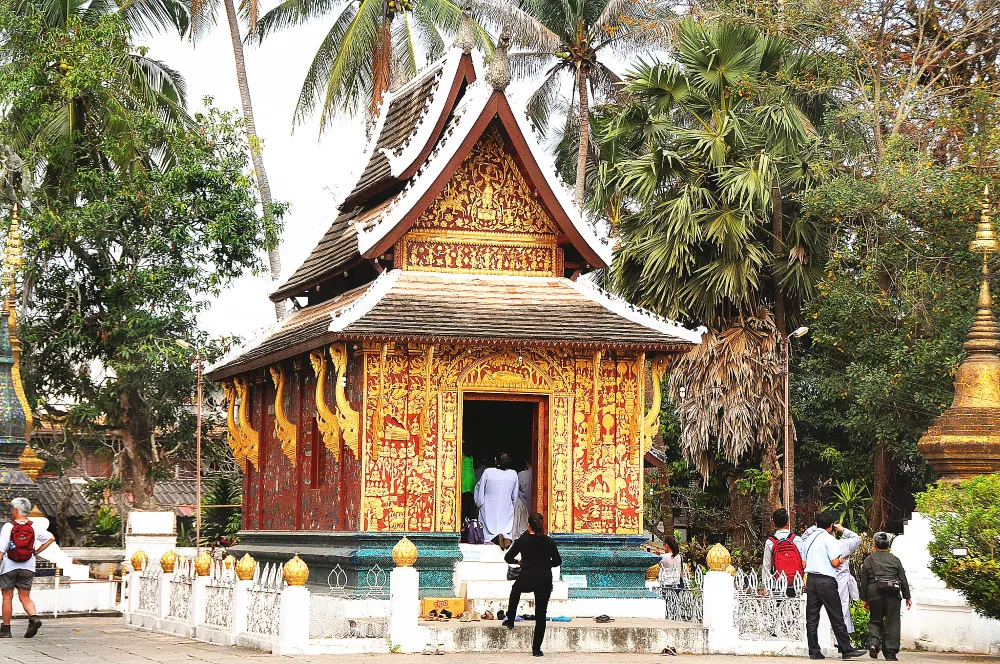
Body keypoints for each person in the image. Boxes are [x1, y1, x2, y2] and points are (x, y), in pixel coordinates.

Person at [798, 511, 866, 660]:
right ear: (830, 526)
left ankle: (814, 651)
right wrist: (841, 560)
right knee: (836, 615)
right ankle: (846, 649)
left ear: (816, 524)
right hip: (826, 581)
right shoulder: (830, 540)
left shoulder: (808, 540)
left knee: (812, 618)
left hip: (811, 580)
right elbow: (835, 562)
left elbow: (804, 563)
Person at [502, 512, 561, 657]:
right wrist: (546, 564)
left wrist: (518, 561)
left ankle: (510, 619)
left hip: (527, 578)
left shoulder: (523, 540)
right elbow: (557, 561)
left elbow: (508, 557)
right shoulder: (548, 541)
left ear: (529, 525)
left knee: (515, 591)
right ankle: (536, 649)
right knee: (541, 614)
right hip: (544, 580)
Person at [0, 497, 54, 639]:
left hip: (9, 567)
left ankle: (6, 629)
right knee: (25, 597)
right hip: (28, 566)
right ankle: (34, 617)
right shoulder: (34, 526)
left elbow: (1, 550)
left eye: (12, 508)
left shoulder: (8, 527)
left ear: (16, 510)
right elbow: (51, 538)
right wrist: (35, 552)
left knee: (7, 597)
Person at [800, 519, 862, 632]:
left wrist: (817, 527)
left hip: (820, 580)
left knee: (817, 612)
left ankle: (823, 636)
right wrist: (842, 529)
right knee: (841, 611)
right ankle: (841, 638)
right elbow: (857, 539)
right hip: (839, 581)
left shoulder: (815, 545)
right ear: (832, 530)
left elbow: (803, 539)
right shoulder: (842, 544)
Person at [859, 532, 911, 661]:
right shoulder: (895, 560)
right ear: (888, 545)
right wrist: (907, 596)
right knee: (892, 622)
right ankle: (890, 653)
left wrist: (864, 599)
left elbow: (864, 581)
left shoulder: (869, 560)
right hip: (893, 594)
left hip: (874, 593)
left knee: (875, 620)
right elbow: (902, 578)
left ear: (874, 544)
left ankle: (873, 644)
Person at [474, 452, 518, 548]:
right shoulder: (513, 474)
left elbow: (480, 488)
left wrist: (479, 503)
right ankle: (505, 537)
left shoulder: (488, 472)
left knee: (488, 530)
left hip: (488, 509)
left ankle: (496, 538)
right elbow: (515, 495)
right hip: (506, 509)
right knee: (505, 527)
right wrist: (511, 507)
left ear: (495, 460)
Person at [763, 508, 802, 596]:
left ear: (773, 524)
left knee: (778, 604)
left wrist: (766, 585)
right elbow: (803, 562)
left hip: (777, 584)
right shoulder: (797, 539)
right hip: (796, 583)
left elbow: (767, 565)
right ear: (788, 523)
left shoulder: (770, 542)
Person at [512, 461, 532, 539]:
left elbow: (515, 490)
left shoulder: (521, 475)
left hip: (521, 507)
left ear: (527, 463)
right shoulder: (536, 474)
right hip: (532, 506)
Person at [461, 447, 477, 520]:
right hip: (472, 479)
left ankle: (465, 518)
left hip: (465, 479)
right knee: (470, 501)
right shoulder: (471, 457)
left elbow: (462, 470)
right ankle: (469, 518)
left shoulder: (462, 457)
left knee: (464, 502)